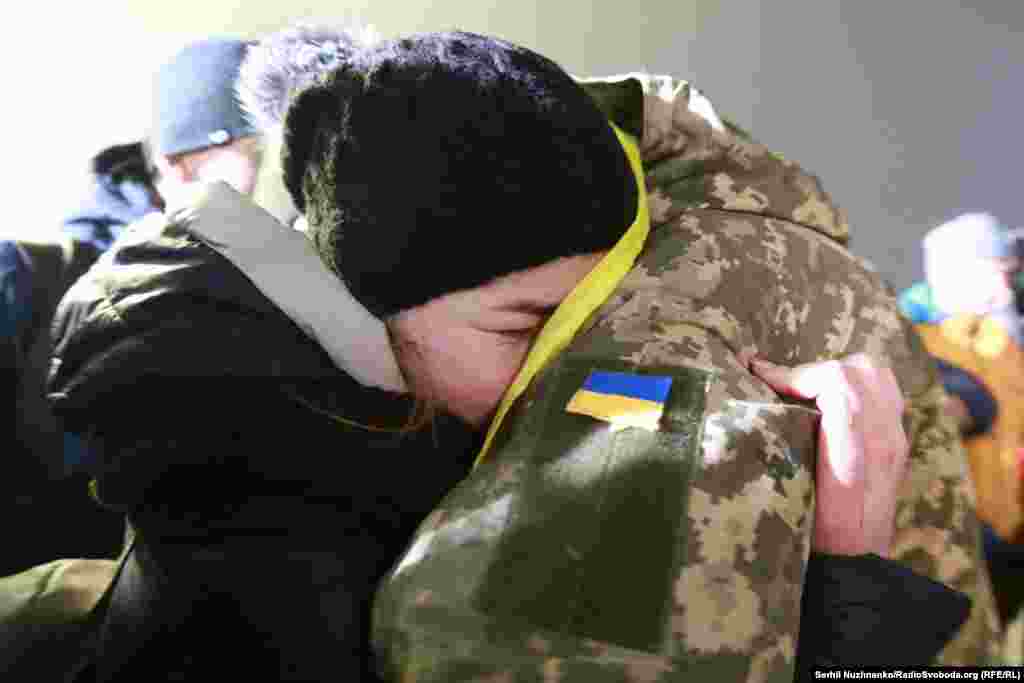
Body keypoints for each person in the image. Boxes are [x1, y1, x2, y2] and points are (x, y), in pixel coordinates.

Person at [48, 30, 975, 681]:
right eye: (525, 325)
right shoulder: (271, 521)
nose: (577, 355)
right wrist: (857, 584)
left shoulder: (376, 420)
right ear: (368, 311)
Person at [0, 36, 263, 682]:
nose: (262, 182)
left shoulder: (252, 309)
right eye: (250, 153)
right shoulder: (26, 283)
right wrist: (51, 594)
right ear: (178, 163)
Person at [898, 214, 1024, 627]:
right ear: (954, 273)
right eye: (995, 274)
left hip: (1006, 543)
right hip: (942, 547)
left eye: (1011, 273)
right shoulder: (906, 338)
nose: (1006, 287)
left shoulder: (1003, 340)